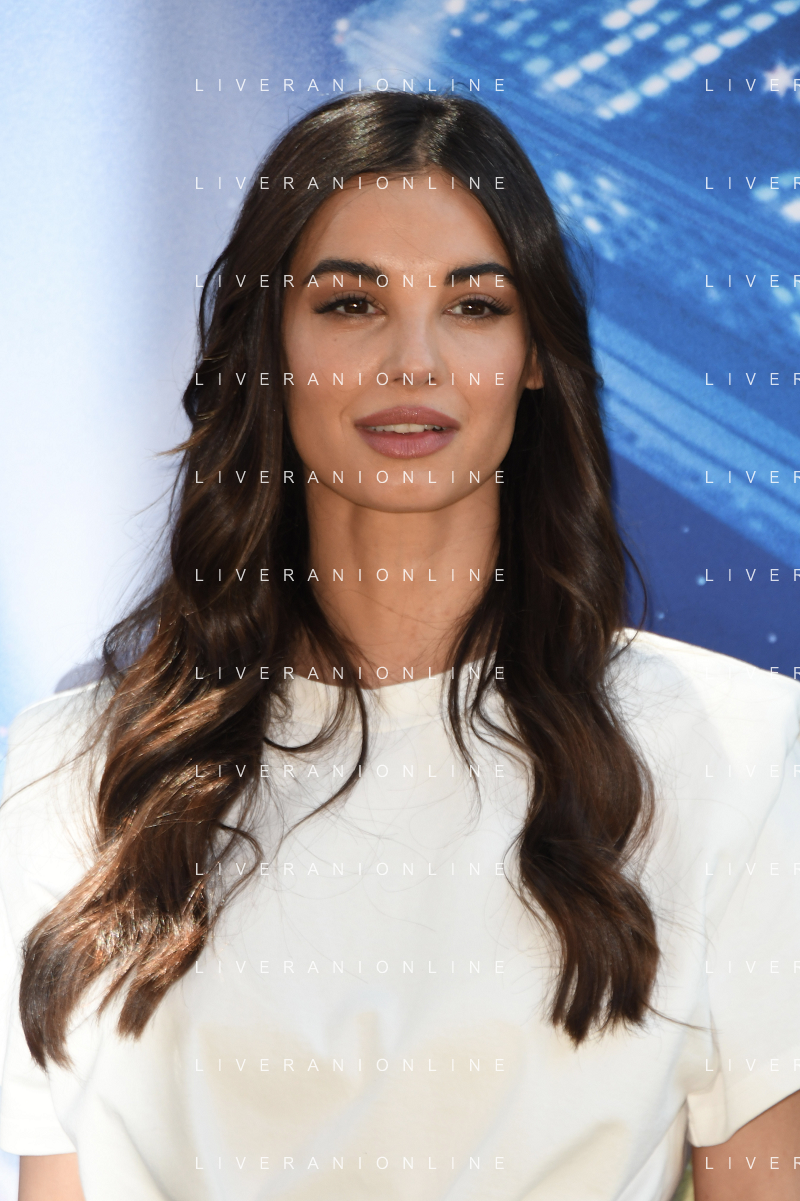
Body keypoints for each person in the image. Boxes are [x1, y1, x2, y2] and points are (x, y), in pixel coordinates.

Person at [1, 92, 798, 1201]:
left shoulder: (736, 754)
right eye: (350, 303)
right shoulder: (71, 771)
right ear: (270, 345)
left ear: (533, 354)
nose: (412, 360)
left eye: (473, 305)